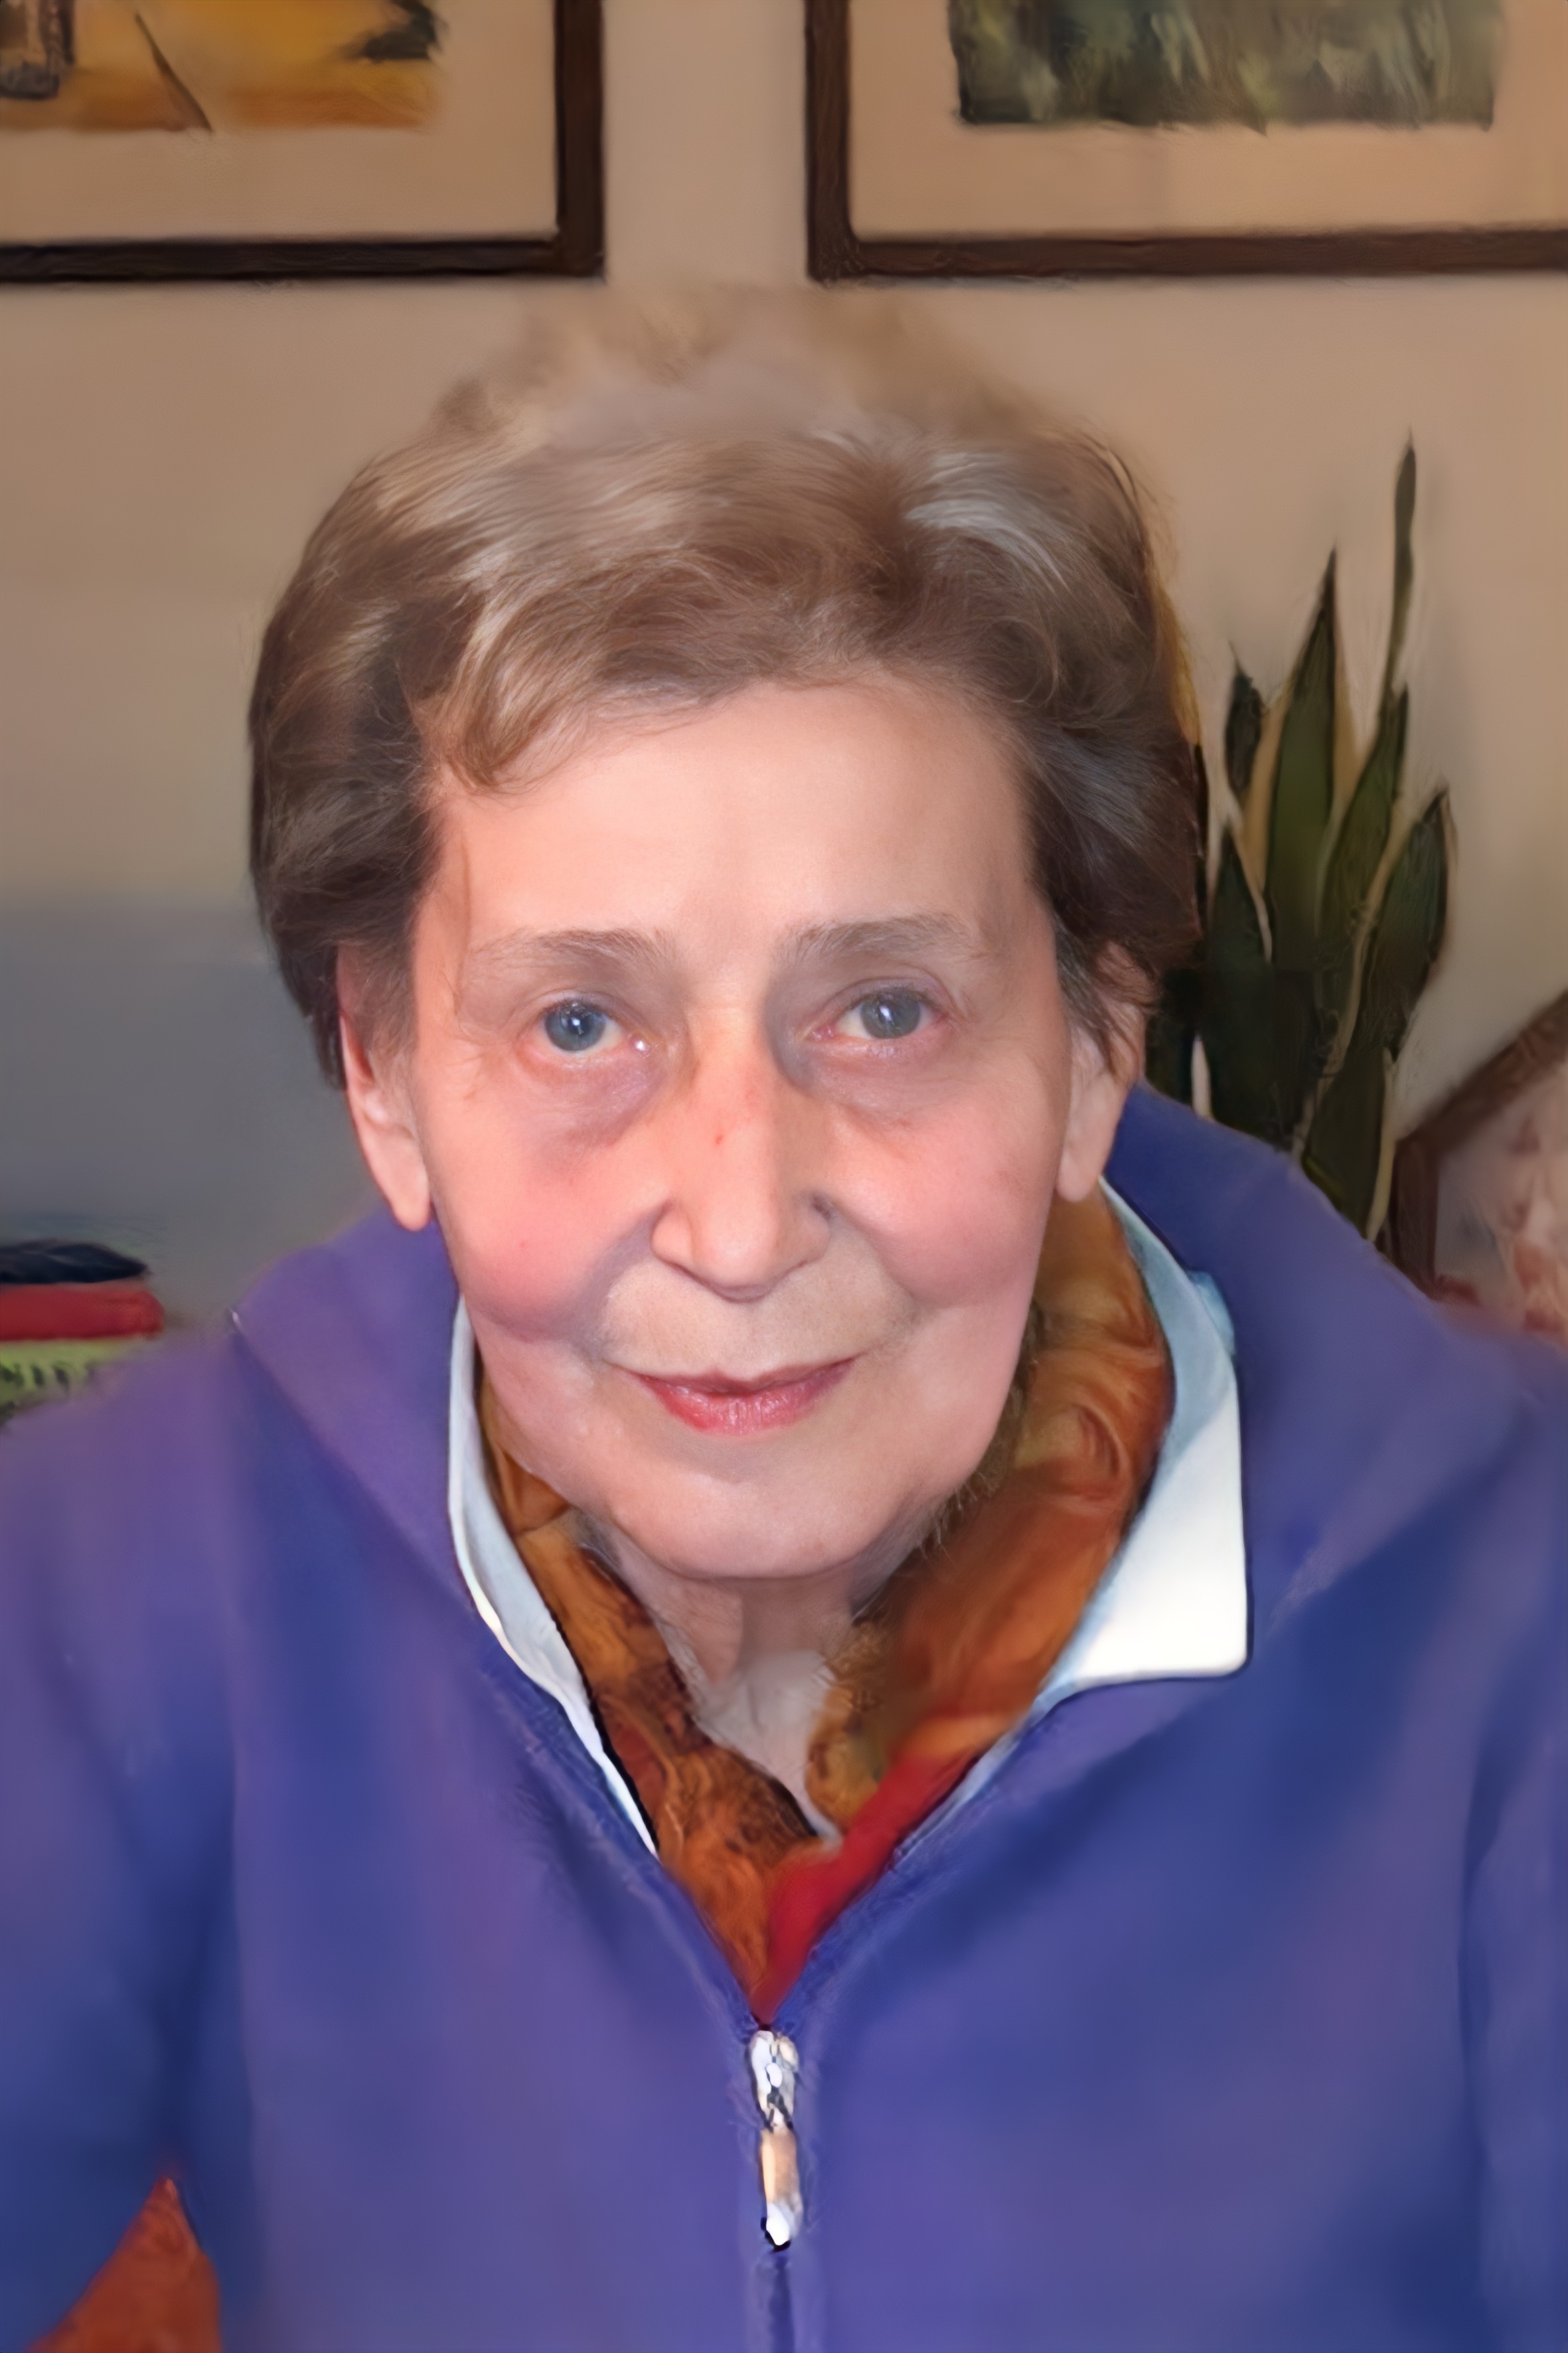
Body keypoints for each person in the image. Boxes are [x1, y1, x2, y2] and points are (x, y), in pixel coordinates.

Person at [1, 295, 1561, 2353]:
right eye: (580, 1024)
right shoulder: (126, 1570)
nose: (737, 1225)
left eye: (883, 1010)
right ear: (382, 1072)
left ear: (1094, 1044)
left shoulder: (1516, 1592)